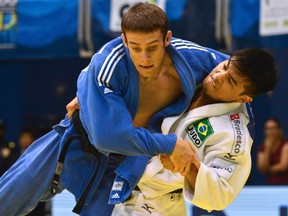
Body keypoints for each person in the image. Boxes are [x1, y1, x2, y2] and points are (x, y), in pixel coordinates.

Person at [0, 3, 239, 216]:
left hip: (120, 163)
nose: (144, 57)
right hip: (75, 140)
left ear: (167, 39)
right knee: (7, 200)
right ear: (124, 41)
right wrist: (169, 144)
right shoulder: (108, 62)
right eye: (135, 47)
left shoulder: (192, 57)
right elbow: (108, 137)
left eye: (152, 47)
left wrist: (243, 115)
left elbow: (243, 73)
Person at [112, 48, 278, 215]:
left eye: (231, 81)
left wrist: (187, 164)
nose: (218, 76)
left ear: (244, 98)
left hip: (152, 202)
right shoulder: (194, 70)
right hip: (116, 175)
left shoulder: (233, 134)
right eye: (225, 67)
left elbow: (220, 194)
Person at [257, 118, 288, 185]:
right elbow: (261, 168)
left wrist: (267, 169)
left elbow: (283, 167)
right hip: (270, 184)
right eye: (267, 129)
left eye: (273, 128)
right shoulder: (262, 147)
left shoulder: (285, 145)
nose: (270, 132)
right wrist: (267, 149)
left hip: (285, 183)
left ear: (279, 130)